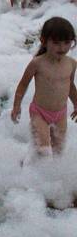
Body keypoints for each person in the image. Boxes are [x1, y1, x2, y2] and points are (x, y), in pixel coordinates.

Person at [11, 17, 77, 157]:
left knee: (58, 151)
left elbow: (70, 86)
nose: (62, 48)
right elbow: (23, 84)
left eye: (67, 43)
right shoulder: (37, 63)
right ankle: (29, 169)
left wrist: (76, 105)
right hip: (39, 112)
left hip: (60, 114)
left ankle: (50, 177)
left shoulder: (71, 63)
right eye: (56, 43)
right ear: (43, 41)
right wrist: (17, 105)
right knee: (43, 150)